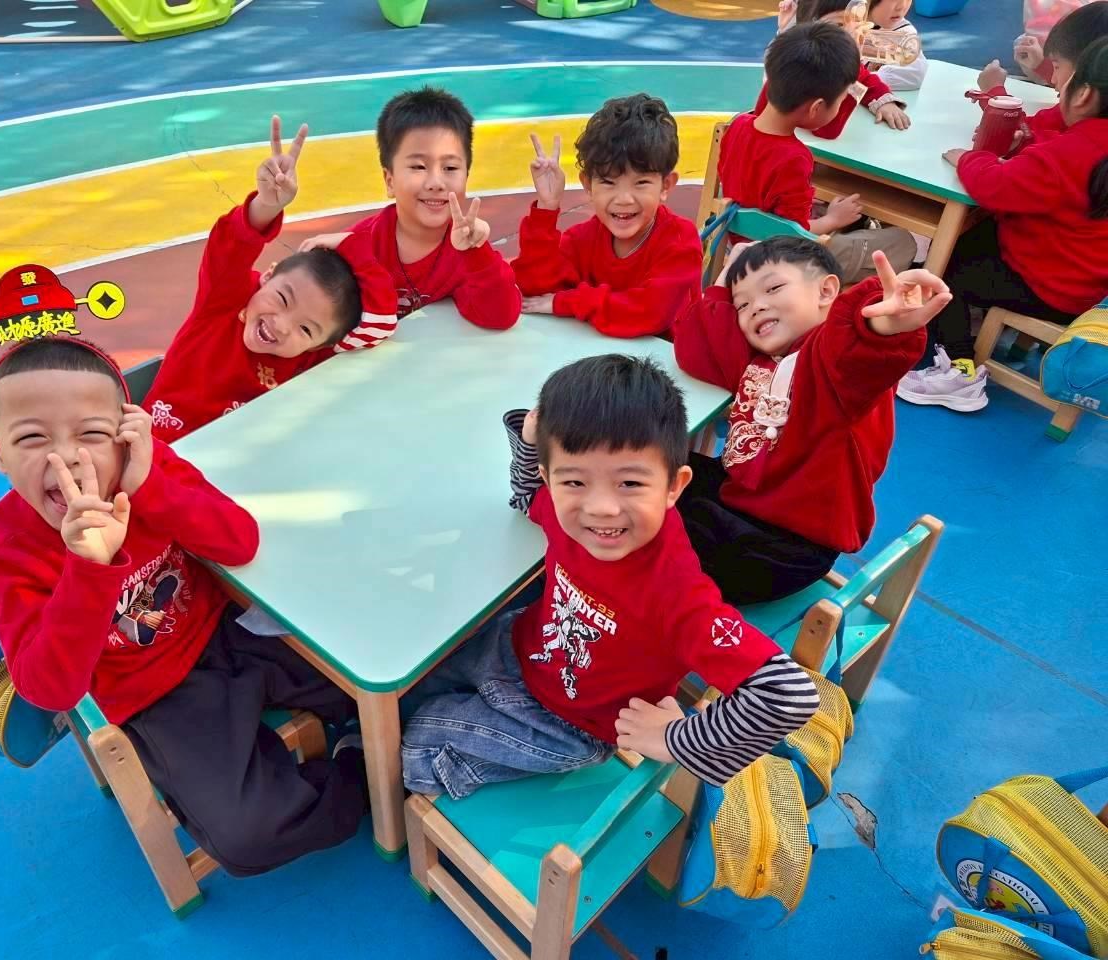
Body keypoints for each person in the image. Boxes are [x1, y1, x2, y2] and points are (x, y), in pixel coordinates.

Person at [0, 337, 366, 877]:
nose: (67, 458)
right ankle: (352, 772)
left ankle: (346, 749)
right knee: (248, 839)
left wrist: (152, 485)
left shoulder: (146, 467)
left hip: (228, 632)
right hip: (152, 695)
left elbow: (240, 542)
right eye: (33, 438)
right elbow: (51, 690)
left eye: (92, 433)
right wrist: (88, 567)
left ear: (126, 430)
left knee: (372, 676)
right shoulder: (3, 550)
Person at [398, 354, 820, 799]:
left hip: (568, 726)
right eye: (574, 482)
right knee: (407, 687)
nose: (601, 508)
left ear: (674, 486)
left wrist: (676, 740)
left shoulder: (673, 590)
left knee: (413, 749)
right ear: (551, 479)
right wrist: (530, 442)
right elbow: (527, 497)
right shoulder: (567, 513)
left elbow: (785, 694)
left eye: (630, 484)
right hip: (514, 649)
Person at [673, 238, 951, 603]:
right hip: (742, 504)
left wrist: (881, 322)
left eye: (773, 288)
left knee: (640, 527)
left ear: (826, 291)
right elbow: (698, 349)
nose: (757, 306)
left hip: (781, 549)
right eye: (743, 304)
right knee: (646, 468)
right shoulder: (764, 360)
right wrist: (724, 282)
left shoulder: (833, 366)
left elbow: (858, 349)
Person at [143, 116, 399, 444]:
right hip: (148, 457)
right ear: (267, 276)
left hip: (224, 470)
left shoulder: (309, 357)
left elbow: (381, 321)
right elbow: (229, 246)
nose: (282, 325)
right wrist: (266, 205)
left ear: (320, 344)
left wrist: (353, 248)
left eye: (306, 329)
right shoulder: (225, 301)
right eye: (282, 299)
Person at [912, 38, 1108, 411]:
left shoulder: (1070, 154)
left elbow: (993, 185)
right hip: (1091, 286)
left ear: (1083, 94)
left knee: (945, 268)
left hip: (1049, 286)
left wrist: (971, 158)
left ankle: (958, 370)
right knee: (971, 236)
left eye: (1062, 75)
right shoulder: (1085, 147)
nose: (1055, 83)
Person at [724, 22, 916, 283]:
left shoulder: (738, 125)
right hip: (778, 259)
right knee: (904, 242)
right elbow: (794, 234)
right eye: (841, 100)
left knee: (831, 210)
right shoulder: (794, 158)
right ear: (816, 108)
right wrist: (833, 220)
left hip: (736, 237)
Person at [324, 87, 520, 329]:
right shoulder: (357, 245)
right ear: (390, 181)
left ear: (466, 178)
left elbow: (501, 316)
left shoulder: (466, 249)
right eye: (418, 167)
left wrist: (476, 253)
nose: (436, 183)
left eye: (450, 168)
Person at [510, 94, 703, 337]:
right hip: (596, 353)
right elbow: (535, 290)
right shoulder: (583, 238)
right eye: (608, 182)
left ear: (666, 185)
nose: (624, 199)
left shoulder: (680, 241)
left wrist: (569, 302)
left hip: (667, 358)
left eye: (641, 183)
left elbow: (649, 313)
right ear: (588, 185)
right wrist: (546, 210)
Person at [758, 0, 912, 139]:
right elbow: (826, 130)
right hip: (787, 144)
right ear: (811, 25)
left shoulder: (816, 56)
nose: (851, 34)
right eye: (839, 25)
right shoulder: (804, 69)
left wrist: (883, 101)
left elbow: (866, 79)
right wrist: (850, 67)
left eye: (857, 25)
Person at [979, 1, 1108, 151]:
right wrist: (1041, 65)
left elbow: (1023, 136)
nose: (1053, 79)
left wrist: (994, 93)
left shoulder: (1083, 142)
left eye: (1057, 66)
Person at [865, 0, 927, 90]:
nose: (901, 7)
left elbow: (916, 73)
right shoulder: (846, 20)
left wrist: (863, 80)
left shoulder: (904, 34)